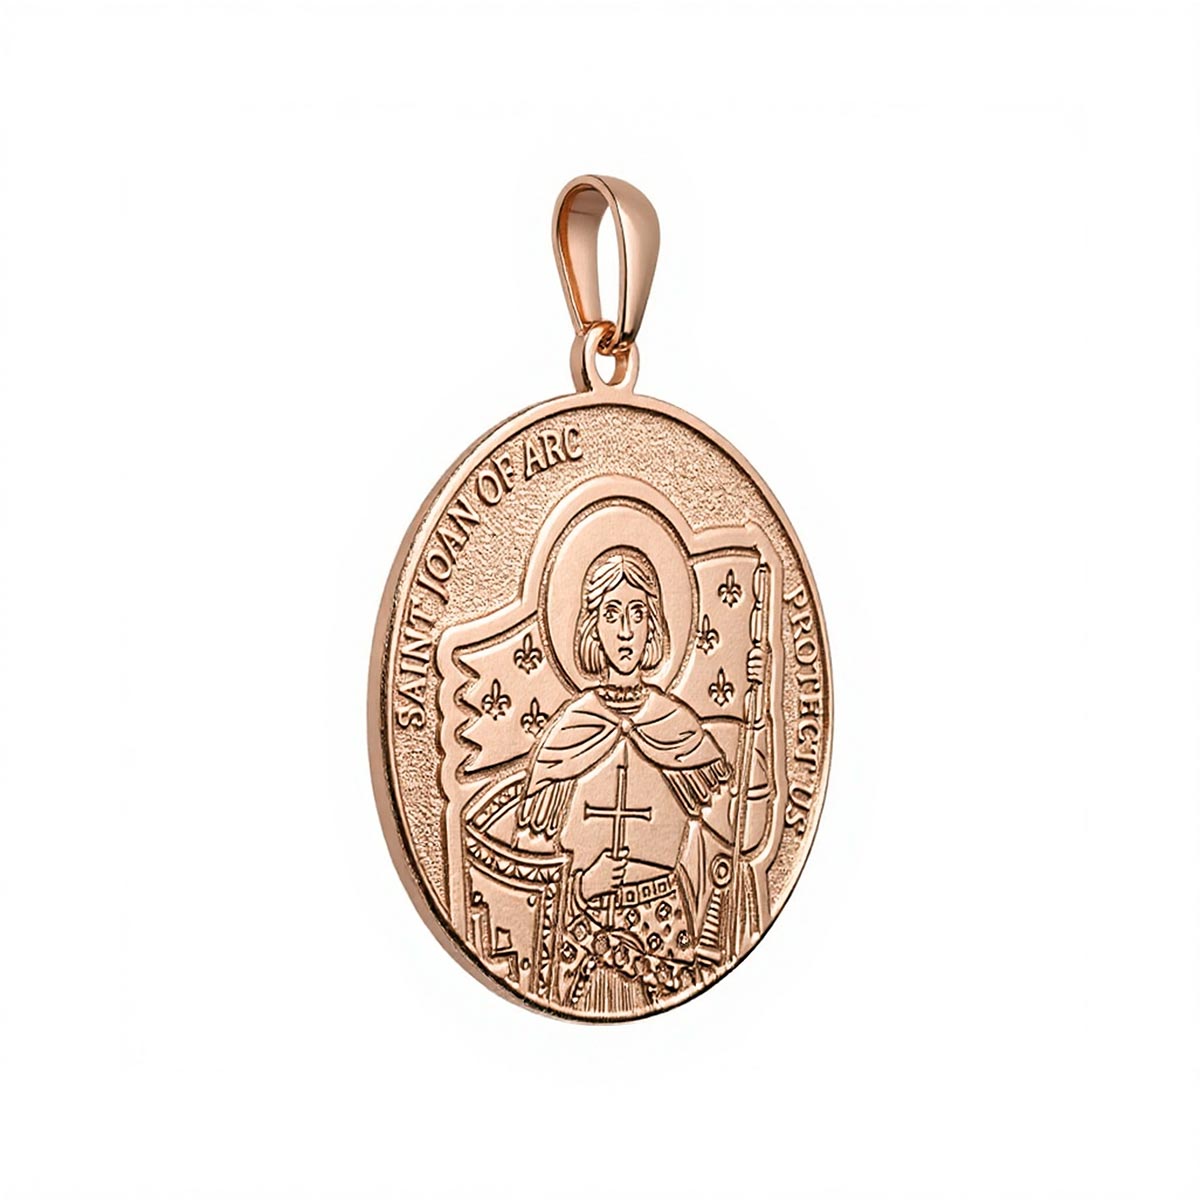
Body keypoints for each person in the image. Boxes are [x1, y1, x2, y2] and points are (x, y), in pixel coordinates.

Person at [513, 546, 768, 1015]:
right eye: (612, 614)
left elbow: (745, 836)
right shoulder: (568, 732)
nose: (626, 631)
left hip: (662, 932)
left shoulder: (677, 727)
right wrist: (581, 886)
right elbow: (527, 863)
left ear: (654, 623)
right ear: (592, 626)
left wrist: (761, 722)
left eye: (637, 612)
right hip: (582, 935)